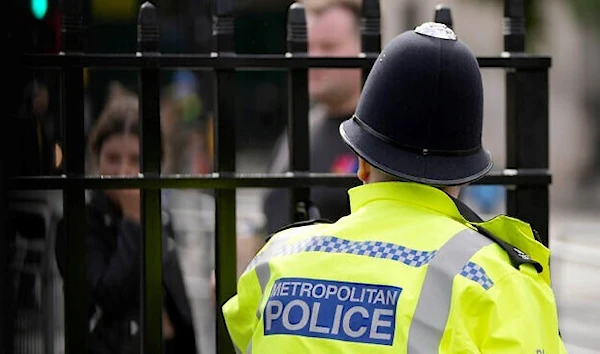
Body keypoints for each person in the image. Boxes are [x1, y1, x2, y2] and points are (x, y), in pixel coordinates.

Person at [222, 23, 567, 353]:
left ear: (361, 163)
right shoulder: (496, 282)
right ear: (463, 176)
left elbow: (239, 328)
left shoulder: (275, 262)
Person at [54, 83, 197, 354]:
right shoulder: (80, 225)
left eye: (135, 160)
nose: (124, 171)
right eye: (113, 158)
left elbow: (176, 303)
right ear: (97, 159)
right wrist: (132, 220)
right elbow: (108, 297)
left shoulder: (161, 218)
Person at [262, 0, 363, 234]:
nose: (313, 58)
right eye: (307, 46)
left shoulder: (380, 136)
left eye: (328, 47)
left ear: (365, 46)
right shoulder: (301, 127)